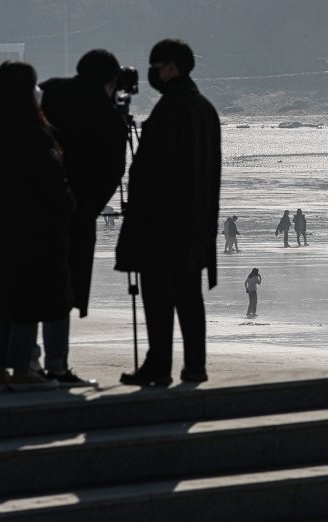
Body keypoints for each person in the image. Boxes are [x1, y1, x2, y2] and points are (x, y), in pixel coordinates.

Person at [116, 39, 221, 386]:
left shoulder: (169, 109)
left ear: (171, 68)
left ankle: (158, 365)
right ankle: (195, 365)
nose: (153, 73)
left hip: (161, 226)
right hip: (194, 223)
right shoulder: (205, 109)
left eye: (157, 66)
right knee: (190, 298)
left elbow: (147, 173)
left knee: (158, 300)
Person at [39, 49, 128, 387]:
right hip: (75, 213)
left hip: (33, 207)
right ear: (109, 80)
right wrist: (88, 207)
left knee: (27, 286)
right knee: (63, 290)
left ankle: (22, 363)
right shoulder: (107, 114)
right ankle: (57, 365)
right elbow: (114, 171)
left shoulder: (48, 92)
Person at [0, 61, 71, 392]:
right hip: (36, 233)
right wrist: (68, 204)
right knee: (29, 302)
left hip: (3, 232)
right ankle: (21, 368)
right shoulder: (33, 134)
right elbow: (53, 185)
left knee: (6, 301)